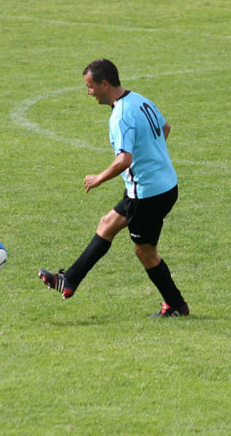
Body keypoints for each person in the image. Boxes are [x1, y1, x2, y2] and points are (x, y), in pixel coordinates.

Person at [38, 59, 189, 317]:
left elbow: (124, 160)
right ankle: (69, 280)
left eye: (90, 86)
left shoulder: (120, 116)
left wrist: (99, 178)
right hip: (161, 184)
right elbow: (165, 128)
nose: (89, 92)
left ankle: (176, 305)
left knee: (146, 253)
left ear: (104, 84)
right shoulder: (140, 100)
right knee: (107, 224)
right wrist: (151, 155)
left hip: (148, 194)